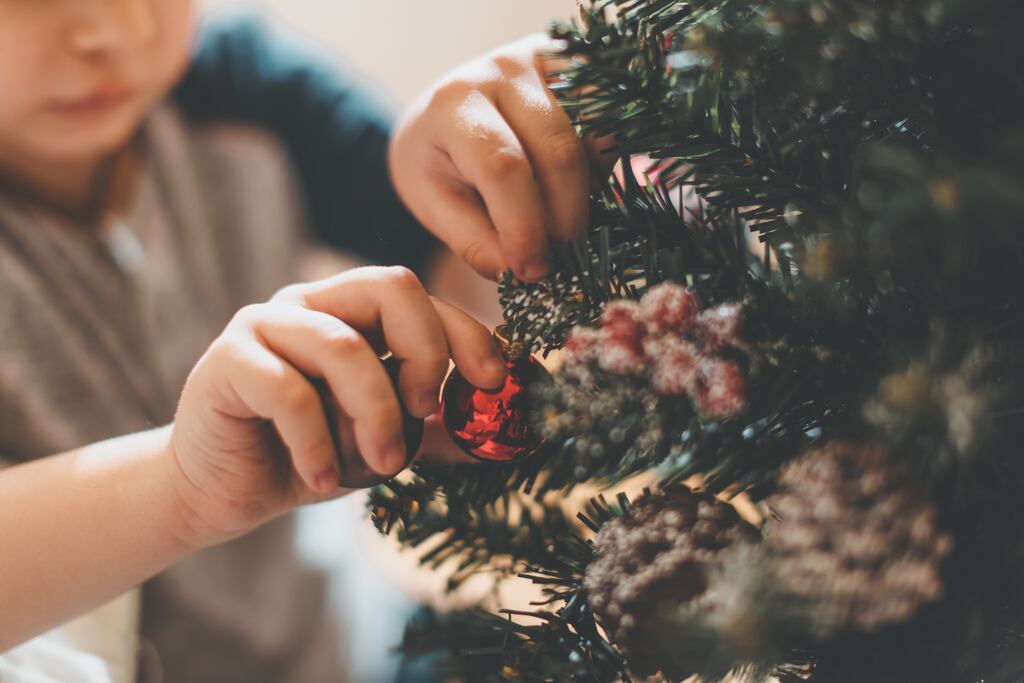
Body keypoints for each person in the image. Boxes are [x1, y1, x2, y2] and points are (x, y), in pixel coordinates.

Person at [0, 2, 600, 681]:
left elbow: (485, 303)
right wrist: (180, 485)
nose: (118, 29)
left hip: (353, 644)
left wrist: (495, 185)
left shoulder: (245, 87)